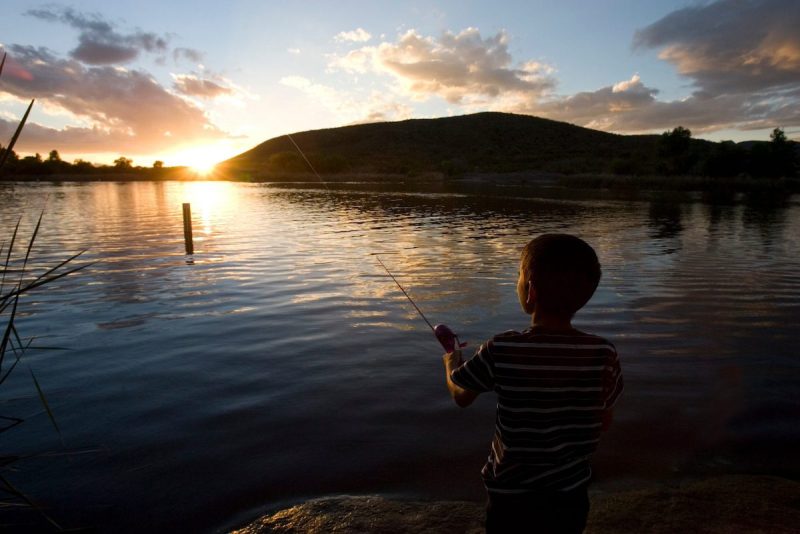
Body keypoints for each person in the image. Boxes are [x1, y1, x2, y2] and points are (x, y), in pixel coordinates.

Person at [442, 234, 623, 534]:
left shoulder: (501, 349)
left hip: (510, 497)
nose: (517, 281)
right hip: (571, 494)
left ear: (531, 292)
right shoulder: (604, 354)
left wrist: (451, 363)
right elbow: (604, 421)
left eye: (518, 275)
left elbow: (461, 396)